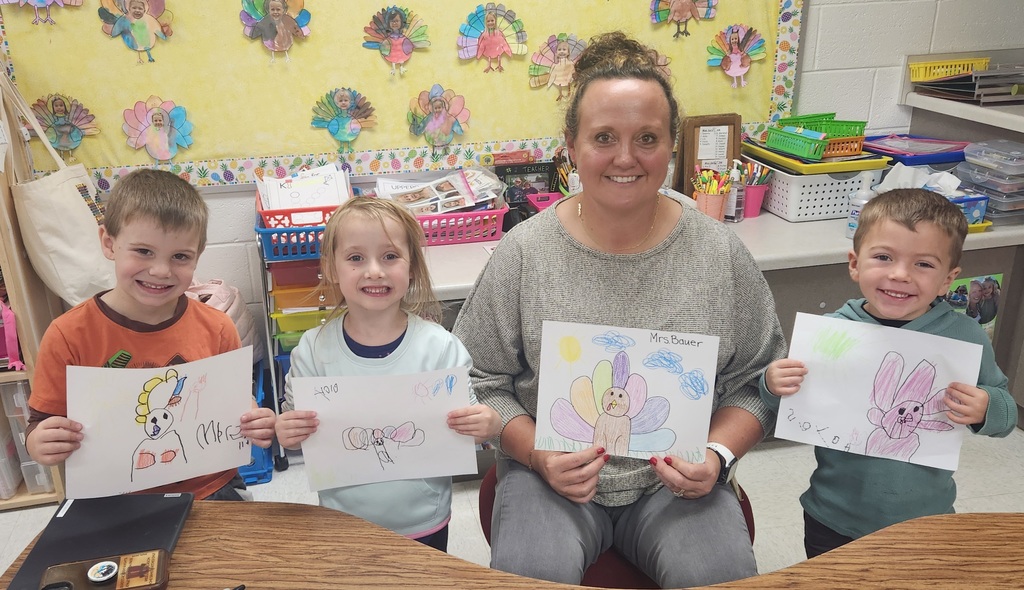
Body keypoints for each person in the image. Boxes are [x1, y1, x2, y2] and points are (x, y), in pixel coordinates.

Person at [452, 31, 786, 588]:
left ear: (672, 144)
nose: (626, 158)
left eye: (647, 138)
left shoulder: (720, 254)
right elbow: (476, 378)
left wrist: (719, 455)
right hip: (548, 478)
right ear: (571, 144)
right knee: (533, 573)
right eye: (604, 137)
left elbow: (756, 382)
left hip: (672, 483)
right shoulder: (524, 252)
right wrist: (535, 455)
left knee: (719, 574)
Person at [762, 188, 1017, 559]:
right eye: (883, 257)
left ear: (949, 278)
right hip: (832, 516)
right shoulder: (832, 333)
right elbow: (782, 400)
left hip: (925, 521)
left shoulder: (966, 336)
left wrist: (986, 407)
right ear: (854, 263)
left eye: (924, 264)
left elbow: (1006, 411)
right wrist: (772, 383)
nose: (900, 275)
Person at [25, 169, 276, 500]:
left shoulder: (217, 327)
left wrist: (253, 416)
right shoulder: (68, 334)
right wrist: (39, 442)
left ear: (197, 257)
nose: (161, 270)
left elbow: (234, 402)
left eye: (180, 257)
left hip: (211, 487)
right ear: (108, 243)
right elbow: (42, 422)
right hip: (114, 496)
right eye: (143, 251)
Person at [274, 197, 500, 552]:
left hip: (423, 519)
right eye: (355, 258)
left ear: (411, 267)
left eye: (390, 256)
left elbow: (472, 432)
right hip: (342, 521)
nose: (374, 271)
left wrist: (486, 424)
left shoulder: (440, 348)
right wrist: (286, 431)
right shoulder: (312, 351)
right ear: (332, 269)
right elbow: (298, 432)